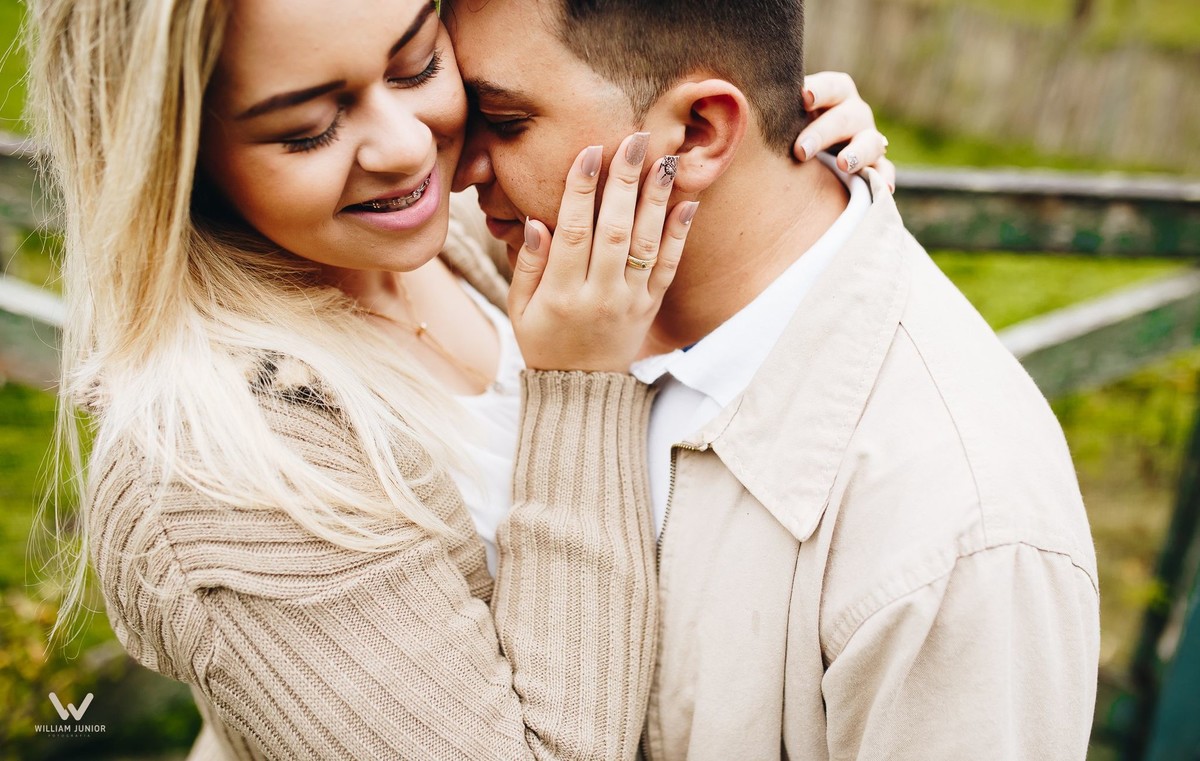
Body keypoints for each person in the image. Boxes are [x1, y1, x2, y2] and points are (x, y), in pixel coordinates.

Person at [28, 0, 888, 758]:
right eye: (309, 127)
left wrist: (776, 171)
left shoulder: (444, 242)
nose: (410, 148)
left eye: (415, 65)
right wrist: (578, 386)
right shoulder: (213, 474)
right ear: (175, 158)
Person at [445, 0, 1102, 759]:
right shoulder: (553, 281)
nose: (458, 169)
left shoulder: (958, 537)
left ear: (698, 132)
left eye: (504, 120)